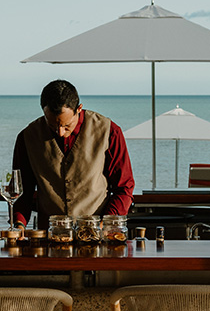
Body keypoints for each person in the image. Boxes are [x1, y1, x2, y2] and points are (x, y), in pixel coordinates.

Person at [12, 80, 134, 229]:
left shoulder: (109, 131)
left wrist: (104, 224)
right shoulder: (27, 137)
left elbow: (124, 188)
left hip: (97, 235)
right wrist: (19, 225)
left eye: (66, 125)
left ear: (79, 109)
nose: (60, 132)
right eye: (52, 125)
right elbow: (22, 192)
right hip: (49, 237)